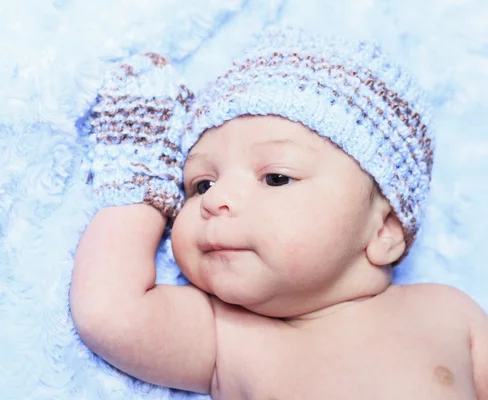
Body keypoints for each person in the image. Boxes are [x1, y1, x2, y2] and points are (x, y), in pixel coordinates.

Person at [69, 25, 488, 399]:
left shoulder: (448, 313)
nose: (215, 201)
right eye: (200, 185)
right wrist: (139, 180)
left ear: (385, 231)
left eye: (275, 178)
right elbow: (109, 312)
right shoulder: (225, 336)